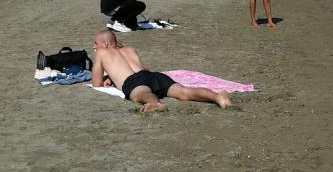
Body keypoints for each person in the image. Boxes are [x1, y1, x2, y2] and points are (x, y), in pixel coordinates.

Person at [89, 29, 231, 113]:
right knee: (184, 92)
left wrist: (108, 79)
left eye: (96, 43)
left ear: (105, 44)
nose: (94, 46)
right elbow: (136, 69)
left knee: (141, 94)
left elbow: (96, 83)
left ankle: (155, 103)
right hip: (152, 75)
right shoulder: (130, 49)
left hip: (133, 81)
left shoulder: (101, 53)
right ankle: (217, 97)